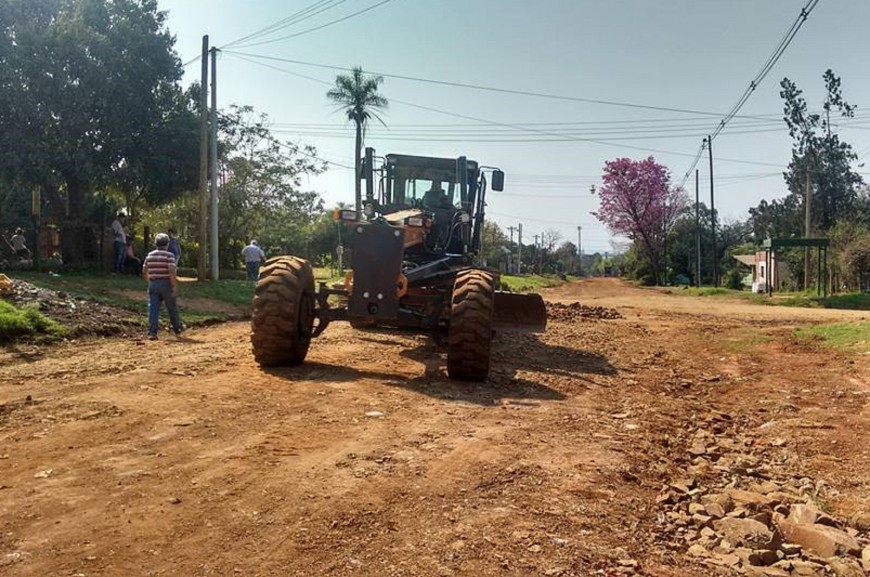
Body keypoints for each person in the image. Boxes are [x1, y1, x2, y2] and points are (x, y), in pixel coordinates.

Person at [142, 233, 184, 340]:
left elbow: (144, 270)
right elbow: (171, 272)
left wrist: (149, 281)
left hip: (153, 283)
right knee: (171, 307)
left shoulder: (150, 255)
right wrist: (174, 286)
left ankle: (152, 332)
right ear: (167, 244)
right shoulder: (169, 256)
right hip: (166, 283)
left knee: (153, 308)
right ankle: (177, 328)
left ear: (155, 243)